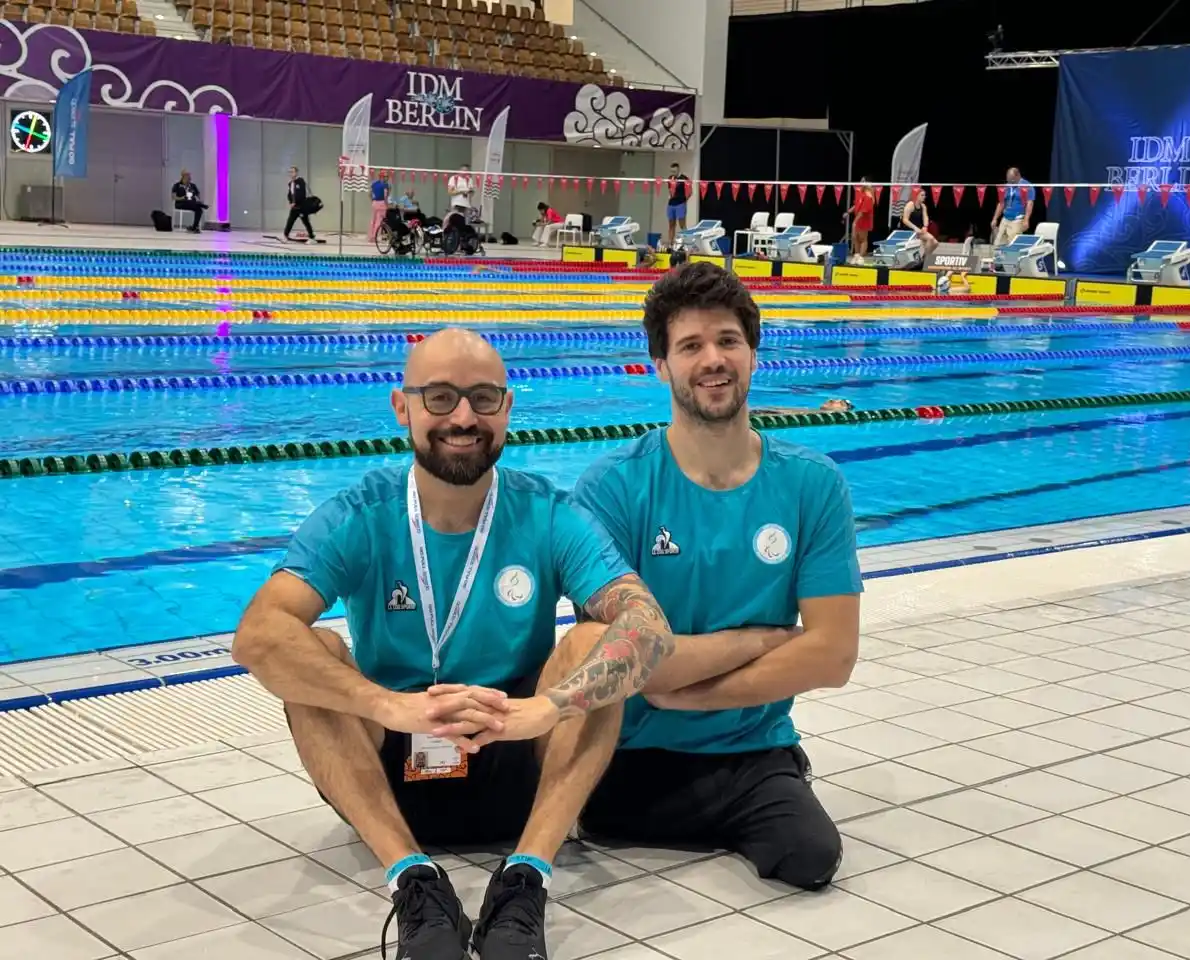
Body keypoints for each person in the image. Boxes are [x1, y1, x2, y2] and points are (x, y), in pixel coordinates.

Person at [232, 328, 675, 960]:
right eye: (440, 398)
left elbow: (650, 628)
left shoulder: (548, 513)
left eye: (482, 398)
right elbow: (257, 636)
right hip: (389, 776)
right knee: (310, 650)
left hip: (520, 763)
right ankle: (413, 880)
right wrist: (387, 706)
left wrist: (543, 710)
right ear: (402, 407)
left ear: (508, 408)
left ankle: (527, 877)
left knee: (598, 641)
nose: (463, 417)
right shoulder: (360, 514)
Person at [573, 262, 863, 891]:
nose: (714, 359)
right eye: (691, 346)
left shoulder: (812, 484)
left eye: (728, 341)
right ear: (662, 365)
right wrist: (767, 640)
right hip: (630, 752)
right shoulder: (613, 488)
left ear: (753, 355)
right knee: (603, 814)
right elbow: (629, 662)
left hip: (750, 747)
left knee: (809, 857)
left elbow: (835, 655)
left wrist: (691, 694)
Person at [992, 166, 1035, 247]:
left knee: (1012, 245)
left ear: (1018, 175)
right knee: (998, 244)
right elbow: (1001, 203)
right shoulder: (1007, 186)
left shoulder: (1027, 186)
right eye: (1008, 180)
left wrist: (1026, 220)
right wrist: (995, 218)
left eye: (1012, 179)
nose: (1010, 182)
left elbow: (1030, 204)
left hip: (1017, 219)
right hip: (1005, 218)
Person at [901, 189, 938, 259]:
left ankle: (925, 257)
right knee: (930, 239)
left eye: (925, 195)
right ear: (916, 196)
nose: (924, 197)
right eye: (922, 195)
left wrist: (925, 226)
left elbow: (925, 217)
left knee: (935, 243)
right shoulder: (910, 205)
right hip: (910, 231)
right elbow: (905, 220)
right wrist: (915, 228)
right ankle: (925, 260)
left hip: (919, 231)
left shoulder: (923, 206)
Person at [285, 166, 317, 242]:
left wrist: (295, 202)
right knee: (290, 221)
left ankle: (312, 236)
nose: (291, 173)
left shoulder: (300, 181)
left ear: (296, 173)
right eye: (290, 172)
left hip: (301, 206)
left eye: (292, 172)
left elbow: (301, 194)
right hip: (294, 207)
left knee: (305, 221)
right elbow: (290, 194)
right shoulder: (290, 183)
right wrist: (291, 202)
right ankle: (286, 235)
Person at [845, 179, 875, 259]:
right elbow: (856, 205)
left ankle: (861, 257)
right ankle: (857, 255)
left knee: (863, 238)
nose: (861, 182)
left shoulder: (869, 196)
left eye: (863, 181)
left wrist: (855, 221)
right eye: (861, 181)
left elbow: (863, 211)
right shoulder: (859, 193)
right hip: (858, 218)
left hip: (864, 219)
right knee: (855, 237)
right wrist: (848, 212)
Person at [667, 162, 691, 247]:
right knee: (671, 225)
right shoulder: (670, 178)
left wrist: (684, 201)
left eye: (674, 171)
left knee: (682, 225)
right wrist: (670, 196)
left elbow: (690, 192)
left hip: (680, 204)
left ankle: (687, 243)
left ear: (678, 169)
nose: (673, 173)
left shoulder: (685, 178)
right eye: (672, 171)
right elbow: (670, 190)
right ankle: (670, 243)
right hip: (671, 204)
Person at [753, 398, 853, 416]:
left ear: (843, 410)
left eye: (841, 403)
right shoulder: (810, 411)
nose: (832, 400)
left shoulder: (818, 414)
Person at [369, 176, 389, 243]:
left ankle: (370, 236)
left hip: (374, 203)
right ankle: (375, 237)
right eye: (386, 177)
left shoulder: (374, 183)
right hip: (382, 203)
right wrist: (387, 204)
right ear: (383, 177)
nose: (387, 179)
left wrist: (373, 200)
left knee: (373, 220)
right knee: (379, 221)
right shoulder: (385, 185)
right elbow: (385, 195)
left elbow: (369, 193)